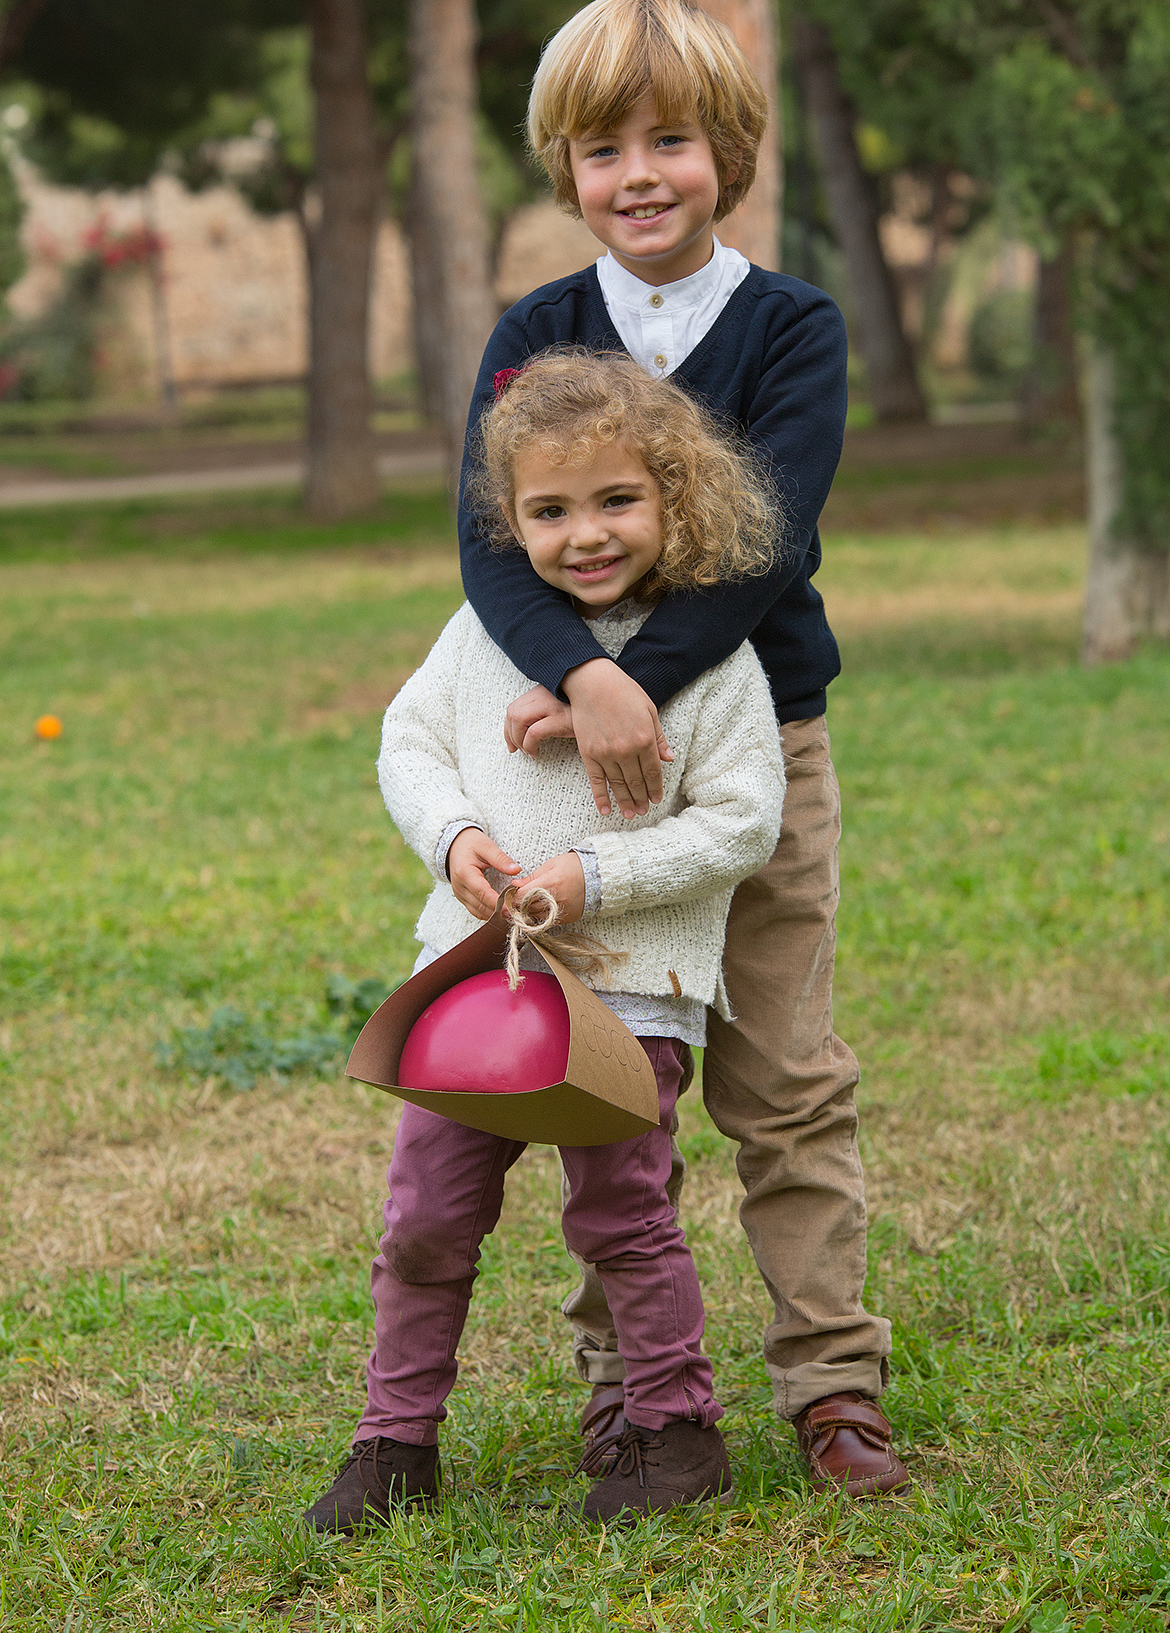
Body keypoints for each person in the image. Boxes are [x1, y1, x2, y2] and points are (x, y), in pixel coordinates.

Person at [455, 0, 908, 1498]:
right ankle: (634, 1398)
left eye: (672, 139)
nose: (639, 173)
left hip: (751, 748)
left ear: (733, 147)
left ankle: (834, 1390)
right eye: (601, 148)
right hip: (569, 773)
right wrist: (582, 692)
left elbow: (764, 539)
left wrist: (640, 676)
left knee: (782, 1079)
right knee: (601, 1080)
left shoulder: (792, 328)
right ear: (562, 168)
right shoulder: (538, 332)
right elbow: (493, 549)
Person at [305, 350, 787, 1533]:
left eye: (618, 499)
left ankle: (674, 1431)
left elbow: (745, 820)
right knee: (424, 1212)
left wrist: (596, 876)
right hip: (473, 986)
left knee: (622, 1208)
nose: (585, 534)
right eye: (549, 510)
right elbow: (407, 743)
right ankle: (394, 1442)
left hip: (628, 987)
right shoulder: (482, 633)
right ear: (509, 520)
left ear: (678, 495)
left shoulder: (710, 660)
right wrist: (454, 837)